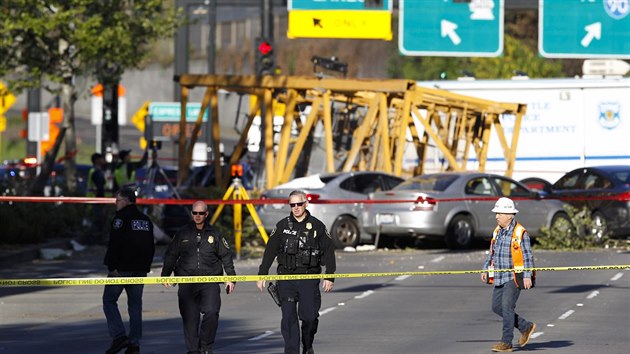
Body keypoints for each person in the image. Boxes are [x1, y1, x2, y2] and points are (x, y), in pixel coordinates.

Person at [257, 190, 337, 354]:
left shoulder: (317, 226)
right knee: (288, 317)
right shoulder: (282, 226)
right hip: (286, 278)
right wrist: (262, 274)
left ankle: (307, 345)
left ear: (306, 203)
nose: (296, 208)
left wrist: (330, 275)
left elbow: (329, 251)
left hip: (309, 277)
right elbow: (270, 250)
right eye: (292, 205)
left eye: (299, 204)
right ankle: (292, 351)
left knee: (309, 316)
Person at [161, 200, 236, 354]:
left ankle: (206, 346)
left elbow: (226, 256)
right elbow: (171, 255)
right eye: (195, 213)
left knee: (212, 312)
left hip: (210, 281)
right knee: (190, 318)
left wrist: (231, 278)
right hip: (187, 281)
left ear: (206, 214)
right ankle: (193, 350)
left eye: (201, 213)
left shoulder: (215, 234)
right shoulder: (182, 233)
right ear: (192, 213)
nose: (198, 216)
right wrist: (165, 274)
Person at [103, 188, 155, 354]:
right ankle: (134, 344)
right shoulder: (145, 220)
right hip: (140, 270)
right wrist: (146, 267)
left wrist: (112, 267)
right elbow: (151, 246)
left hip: (122, 269)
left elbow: (115, 244)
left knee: (109, 300)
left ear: (126, 200)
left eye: (117, 200)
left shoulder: (120, 219)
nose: (115, 203)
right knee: (135, 305)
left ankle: (119, 336)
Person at [481, 197, 537, 352]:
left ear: (509, 215)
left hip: (513, 277)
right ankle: (526, 327)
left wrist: (527, 275)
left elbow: (527, 256)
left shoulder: (520, 233)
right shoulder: (497, 231)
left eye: (499, 213)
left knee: (507, 306)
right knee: (496, 307)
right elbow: (491, 253)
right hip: (499, 276)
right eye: (496, 213)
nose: (496, 216)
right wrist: (486, 268)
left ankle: (506, 342)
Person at [85, 152, 107, 244]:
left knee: (98, 220)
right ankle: (93, 240)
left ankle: (95, 239)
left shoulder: (95, 171)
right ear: (97, 160)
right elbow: (100, 187)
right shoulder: (96, 172)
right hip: (96, 200)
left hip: (95, 200)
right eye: (102, 158)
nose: (104, 160)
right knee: (97, 220)